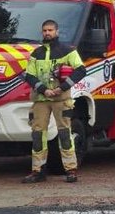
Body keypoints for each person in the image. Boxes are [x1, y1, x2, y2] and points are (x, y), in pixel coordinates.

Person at [21, 19, 86, 183]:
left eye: (50, 30)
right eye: (44, 30)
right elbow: (29, 75)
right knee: (37, 135)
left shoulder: (68, 51)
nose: (47, 33)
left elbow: (81, 70)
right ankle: (38, 171)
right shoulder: (36, 54)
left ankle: (71, 170)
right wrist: (44, 90)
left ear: (57, 32)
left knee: (64, 133)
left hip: (61, 99)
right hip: (41, 100)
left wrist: (62, 87)